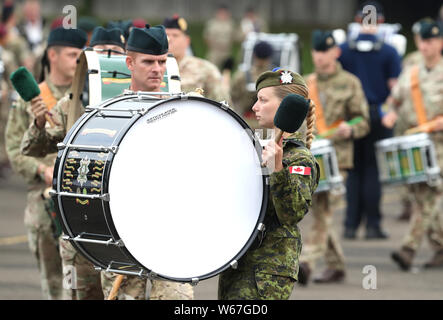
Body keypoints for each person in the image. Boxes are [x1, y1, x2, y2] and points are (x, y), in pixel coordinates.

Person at [21, 24, 194, 300]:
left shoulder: (183, 108)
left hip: (167, 233)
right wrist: (39, 123)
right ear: (130, 63)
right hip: (115, 235)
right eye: (149, 61)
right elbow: (30, 147)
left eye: (162, 62)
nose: (157, 69)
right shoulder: (104, 110)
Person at [5, 27, 92, 300]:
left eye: (82, 55)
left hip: (82, 198)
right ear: (52, 55)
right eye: (72, 54)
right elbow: (15, 148)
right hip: (44, 200)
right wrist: (42, 171)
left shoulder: (88, 95)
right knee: (56, 282)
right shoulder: (35, 97)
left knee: (82, 282)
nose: (78, 61)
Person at [218, 69, 320, 299]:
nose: (254, 106)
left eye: (263, 100)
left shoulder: (298, 159)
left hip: (268, 269)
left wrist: (277, 168)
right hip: (238, 261)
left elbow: (291, 213)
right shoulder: (251, 148)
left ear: (285, 107)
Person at [298, 30, 370, 285]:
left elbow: (363, 119)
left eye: (324, 51)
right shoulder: (305, 84)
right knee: (320, 210)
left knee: (324, 208)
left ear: (335, 52)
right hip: (312, 158)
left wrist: (351, 127)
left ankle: (307, 261)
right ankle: (337, 265)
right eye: (316, 51)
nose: (319, 56)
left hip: (338, 159)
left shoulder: (350, 82)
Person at [382, 21, 443, 271]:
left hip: (440, 146)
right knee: (421, 197)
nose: (426, 45)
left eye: (431, 41)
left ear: (440, 43)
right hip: (414, 146)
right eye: (422, 41)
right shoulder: (411, 73)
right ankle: (440, 247)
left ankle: (408, 248)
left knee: (428, 196)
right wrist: (389, 114)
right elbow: (392, 101)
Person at [338, 1, 401, 239]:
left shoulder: (343, 50)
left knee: (353, 171)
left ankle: (350, 225)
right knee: (373, 170)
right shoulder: (389, 51)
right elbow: (395, 88)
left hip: (351, 118)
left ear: (356, 20)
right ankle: (373, 226)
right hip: (377, 114)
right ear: (381, 22)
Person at [163, 14, 229, 102]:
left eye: (175, 35)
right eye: (166, 35)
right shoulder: (153, 68)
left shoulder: (206, 69)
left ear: (187, 41)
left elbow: (224, 104)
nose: (169, 39)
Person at [230, 40, 273, 130]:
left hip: (245, 124)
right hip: (268, 126)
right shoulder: (275, 77)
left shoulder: (241, 76)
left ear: (254, 55)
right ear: (269, 57)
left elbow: (231, 97)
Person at [203, 4, 237, 70]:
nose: (223, 14)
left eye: (225, 13)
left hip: (226, 52)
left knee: (226, 71)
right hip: (214, 52)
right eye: (221, 13)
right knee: (211, 70)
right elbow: (206, 37)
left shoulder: (230, 24)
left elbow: (235, 37)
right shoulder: (212, 23)